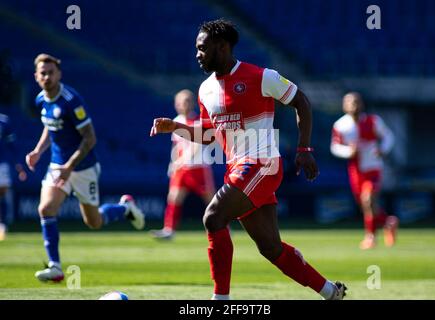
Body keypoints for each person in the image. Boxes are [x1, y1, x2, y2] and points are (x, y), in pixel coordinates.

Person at [150, 19, 347, 300]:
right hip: (237, 168)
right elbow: (208, 135)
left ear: (222, 47)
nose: (197, 54)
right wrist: (175, 127)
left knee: (213, 217)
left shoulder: (261, 76)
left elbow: (301, 101)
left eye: (202, 48)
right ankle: (331, 291)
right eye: (197, 48)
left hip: (262, 164)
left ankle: (220, 300)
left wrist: (304, 150)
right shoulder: (205, 89)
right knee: (271, 248)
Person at [26, 53, 145, 282]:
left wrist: (70, 166)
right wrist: (38, 151)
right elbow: (50, 128)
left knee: (94, 222)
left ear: (59, 74)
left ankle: (124, 208)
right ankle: (56, 267)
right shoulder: (41, 99)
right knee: (46, 209)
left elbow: (90, 138)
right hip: (57, 166)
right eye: (43, 73)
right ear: (36, 76)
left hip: (83, 168)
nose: (47, 76)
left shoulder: (71, 101)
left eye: (51, 72)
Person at [331, 92, 398, 250]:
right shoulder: (340, 126)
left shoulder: (373, 121)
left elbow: (389, 137)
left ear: (362, 104)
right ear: (344, 105)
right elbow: (334, 147)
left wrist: (382, 149)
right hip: (355, 170)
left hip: (372, 168)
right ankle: (388, 222)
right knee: (365, 204)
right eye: (350, 102)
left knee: (368, 200)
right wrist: (349, 152)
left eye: (356, 102)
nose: (353, 105)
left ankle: (371, 237)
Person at [150, 89, 216, 240]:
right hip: (181, 169)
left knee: (211, 201)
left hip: (198, 167)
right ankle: (169, 230)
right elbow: (177, 147)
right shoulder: (176, 121)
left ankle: (222, 228)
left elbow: (196, 145)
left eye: (185, 101)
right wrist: (172, 163)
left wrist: (182, 160)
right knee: (173, 197)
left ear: (192, 103)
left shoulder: (198, 121)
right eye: (179, 102)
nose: (182, 105)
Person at [0, 113, 27, 240]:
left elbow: (12, 144)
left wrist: (18, 165)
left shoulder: (4, 120)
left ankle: (2, 224)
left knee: (2, 192)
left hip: (1, 163)